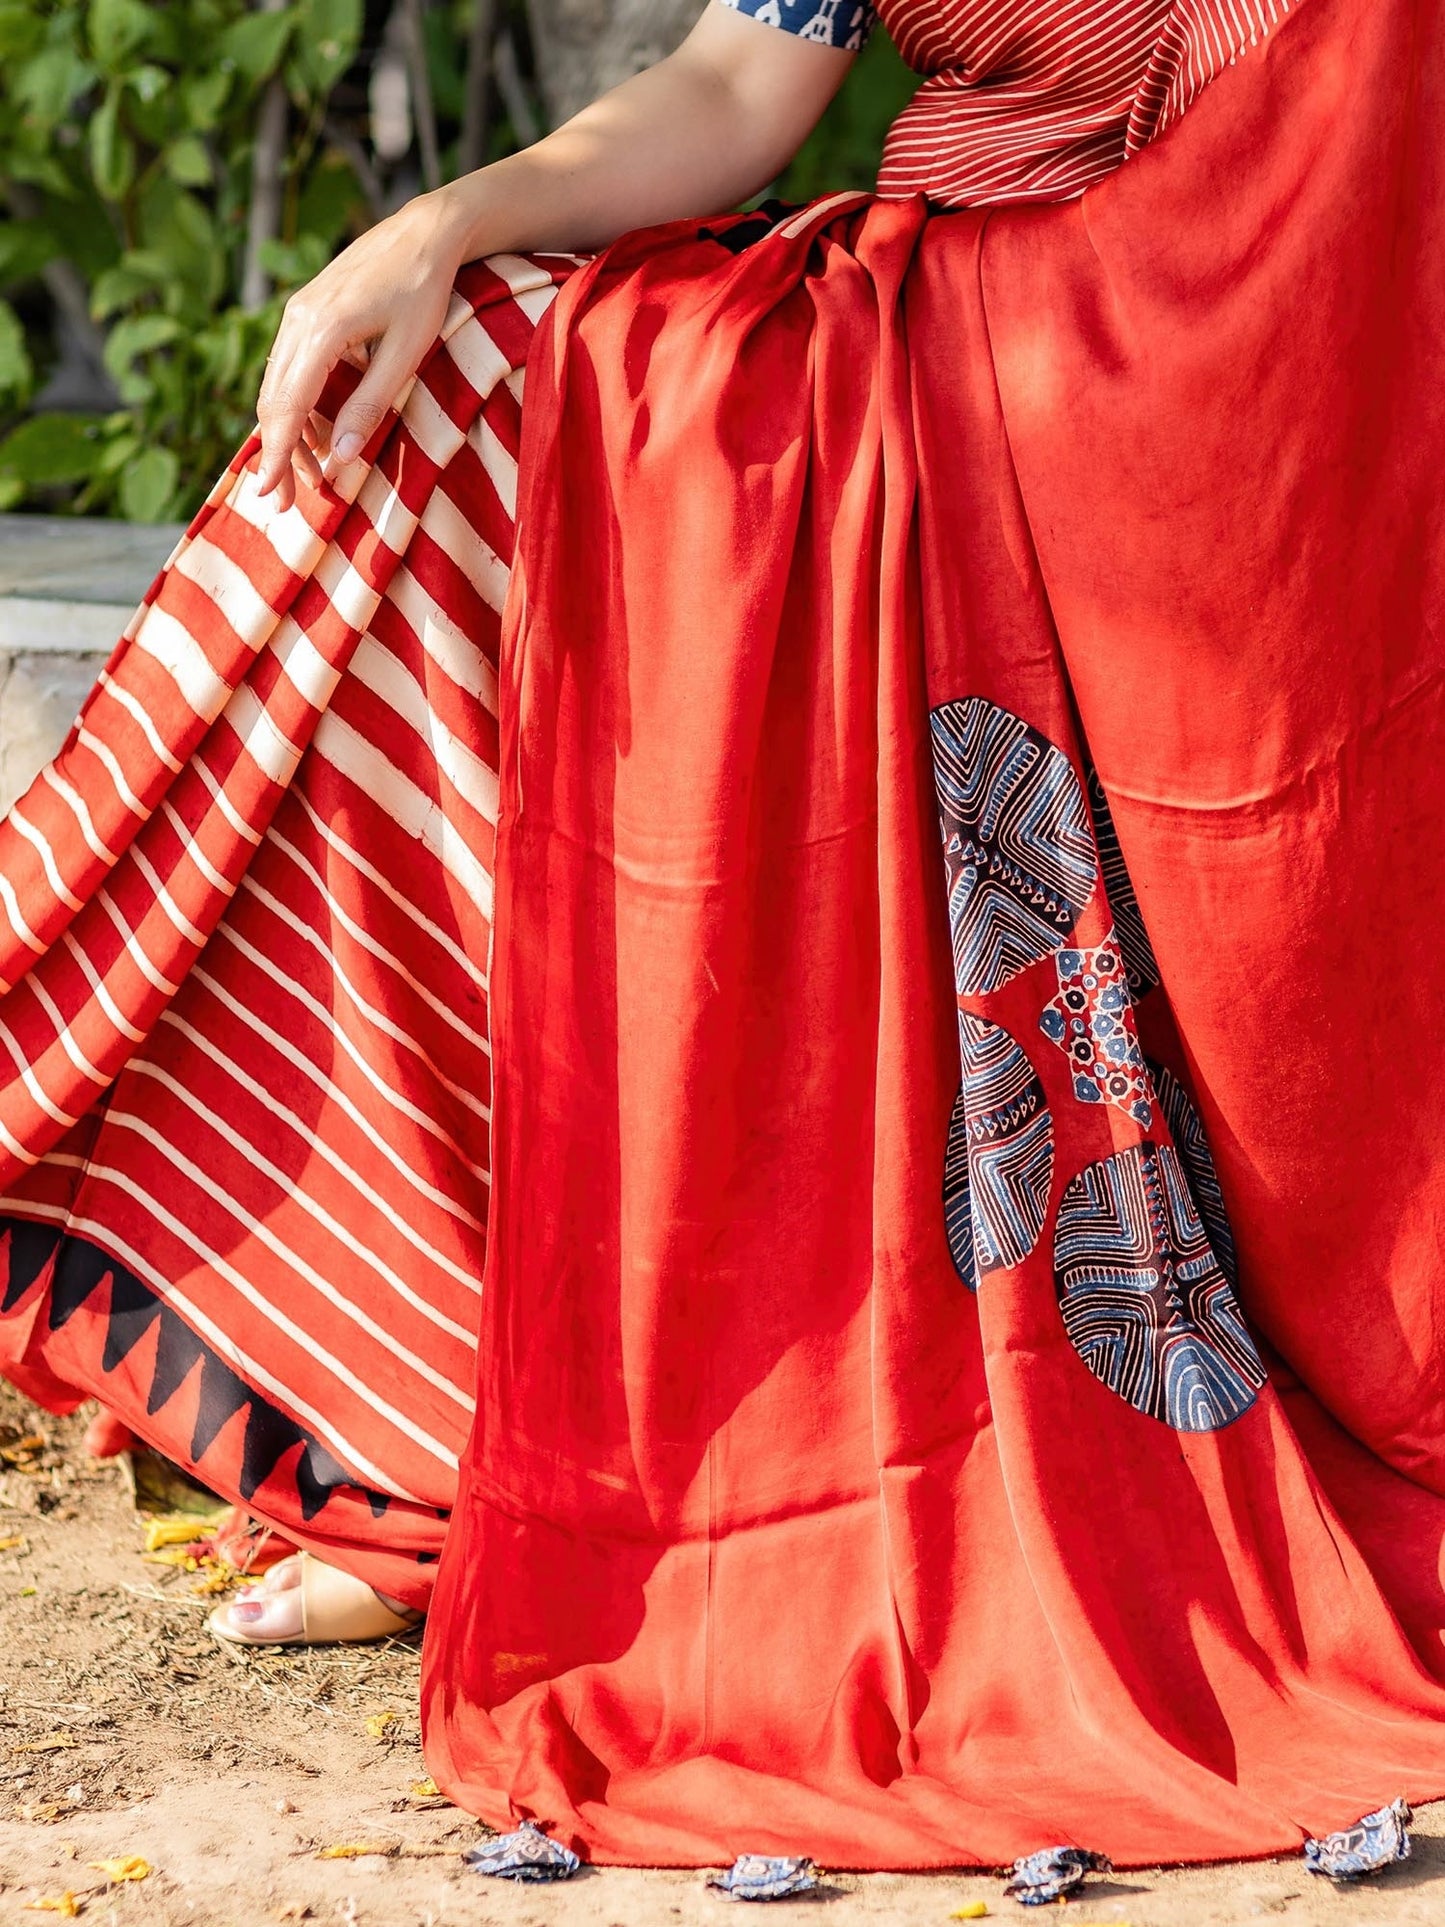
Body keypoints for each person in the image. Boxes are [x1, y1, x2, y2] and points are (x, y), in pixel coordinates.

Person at [4, 0, 1445, 1874]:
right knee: (466, 391)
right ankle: (466, 1444)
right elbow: (735, 85)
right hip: (964, 343)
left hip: (1252, 389)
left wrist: (1051, 338)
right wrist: (440, 225)